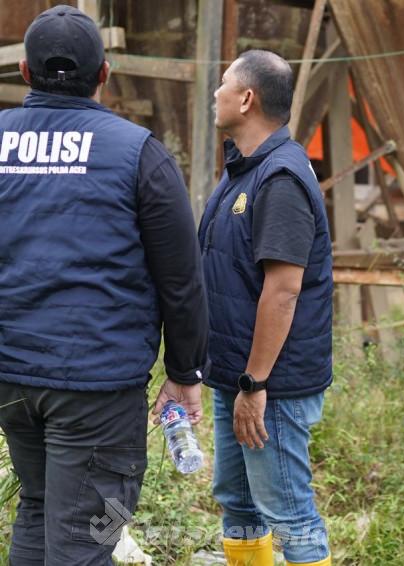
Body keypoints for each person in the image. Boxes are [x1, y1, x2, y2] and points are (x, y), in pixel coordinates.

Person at [0, 6, 209, 564]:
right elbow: (182, 279)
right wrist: (184, 371)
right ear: (105, 74)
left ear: (24, 70)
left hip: (12, 381)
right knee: (91, 534)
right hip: (95, 387)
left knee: (40, 507)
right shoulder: (137, 152)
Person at [199, 50, 332, 566]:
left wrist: (254, 385)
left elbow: (283, 291)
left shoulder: (279, 179)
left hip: (269, 384)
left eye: (224, 83)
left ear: (247, 98)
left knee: (289, 514)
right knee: (238, 503)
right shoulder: (242, 172)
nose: (217, 92)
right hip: (236, 377)